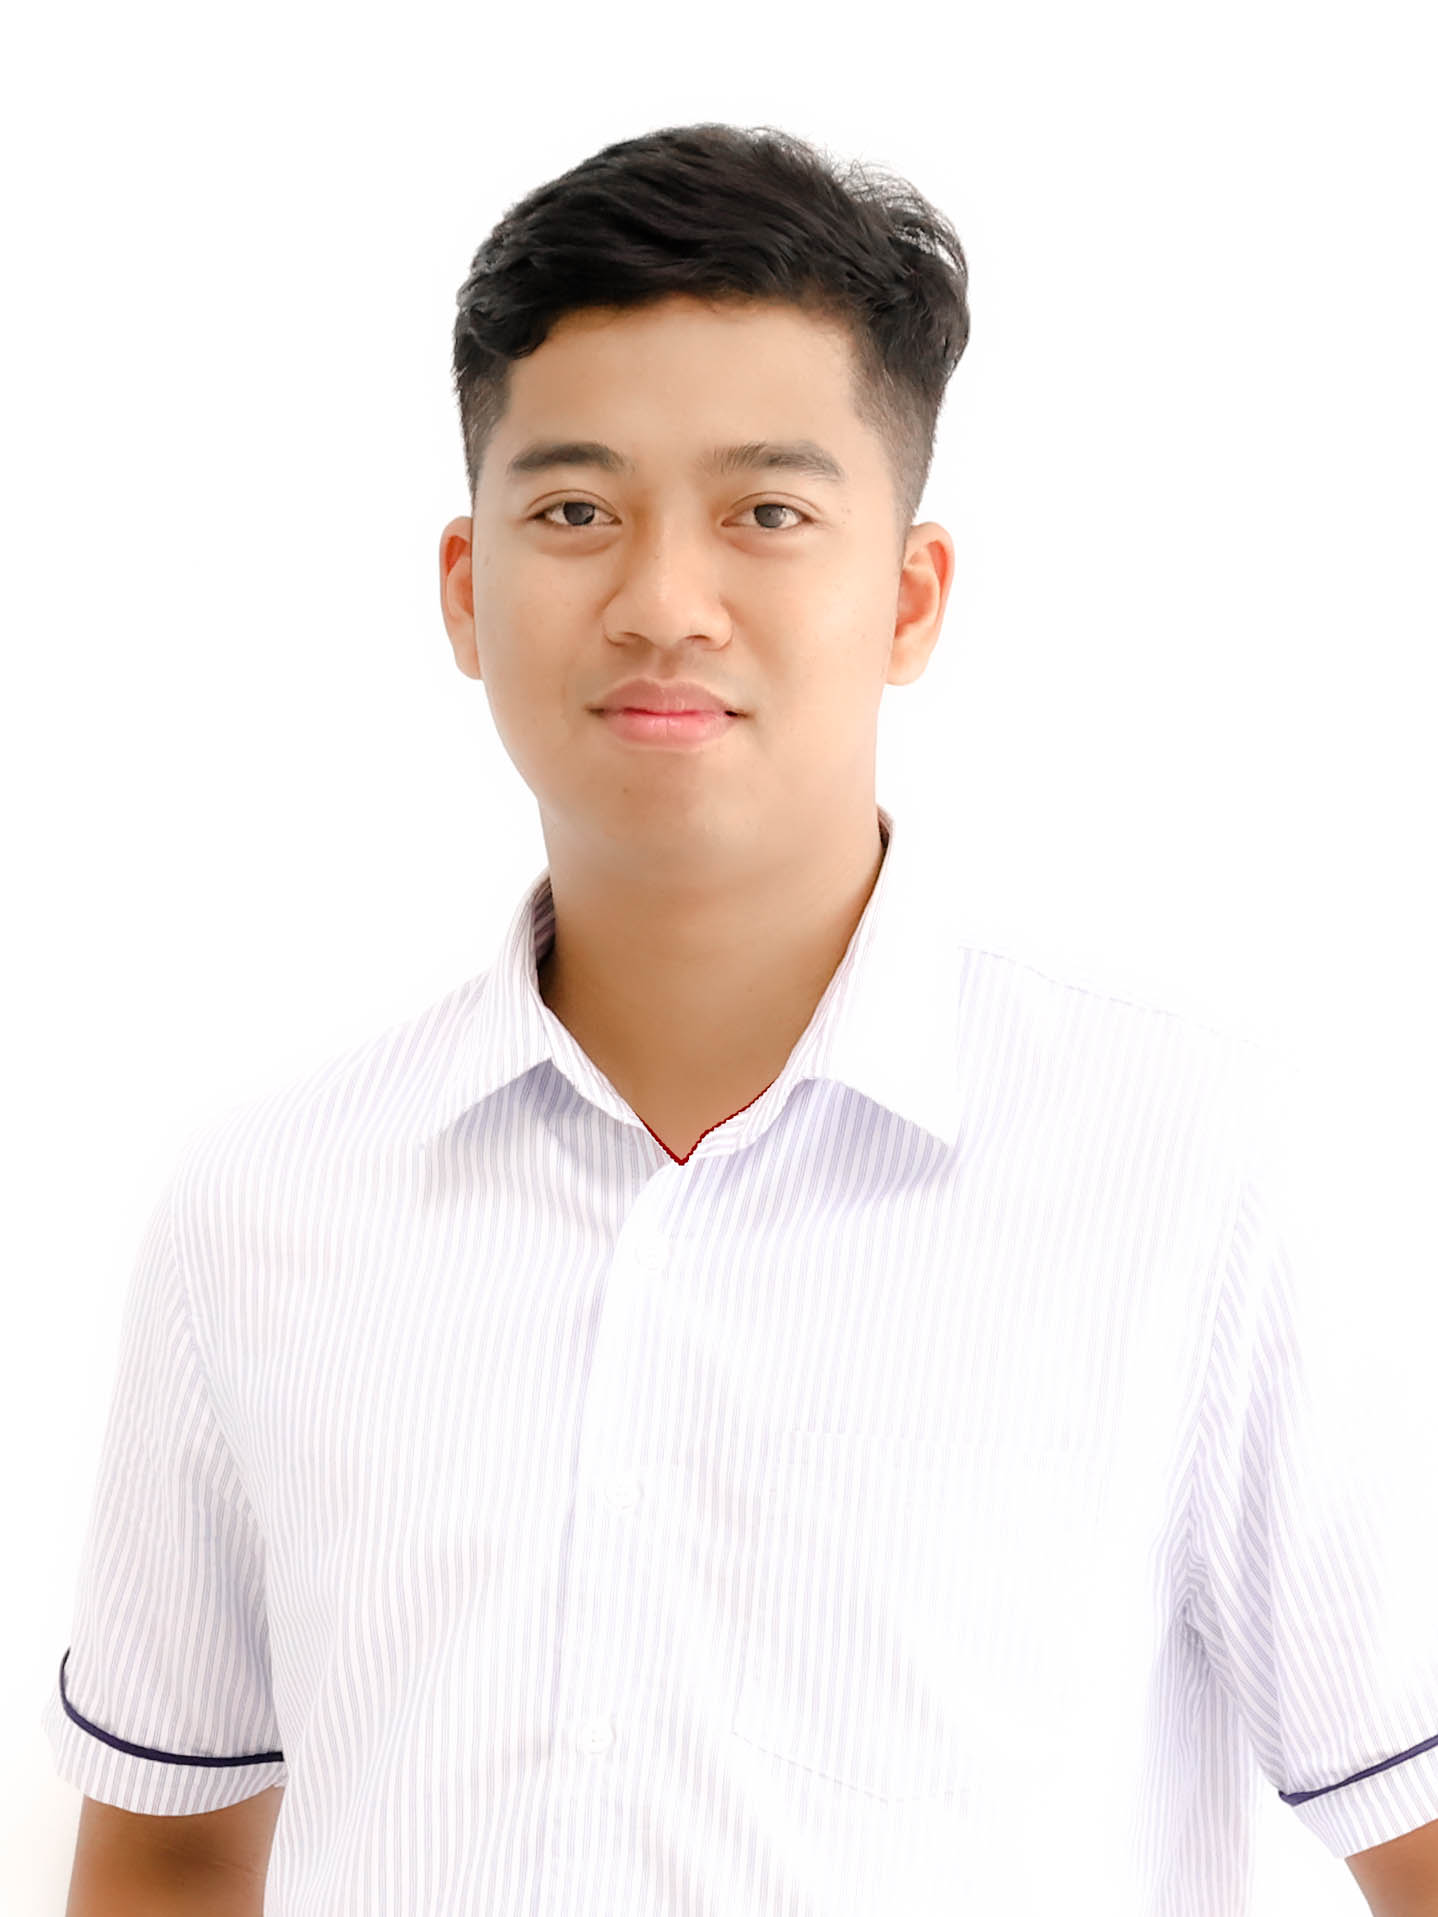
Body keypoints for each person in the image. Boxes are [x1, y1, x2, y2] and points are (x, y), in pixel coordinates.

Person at [43, 120, 1438, 1916]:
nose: (661, 603)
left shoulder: (1191, 1173)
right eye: (574, 512)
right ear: (465, 587)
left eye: (766, 513)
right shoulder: (263, 1208)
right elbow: (169, 1851)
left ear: (907, 598)